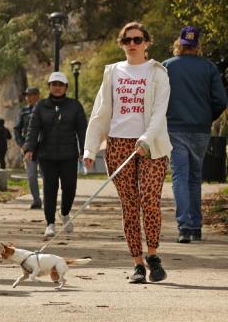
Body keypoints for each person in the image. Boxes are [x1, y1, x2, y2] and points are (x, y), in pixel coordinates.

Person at [83, 21, 172, 284]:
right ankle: (137, 264)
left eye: (137, 39)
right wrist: (90, 147)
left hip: (151, 144)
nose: (132, 44)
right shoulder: (113, 72)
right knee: (130, 205)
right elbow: (100, 112)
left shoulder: (158, 72)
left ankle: (153, 256)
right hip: (118, 144)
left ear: (146, 42)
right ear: (121, 44)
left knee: (150, 199)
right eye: (127, 40)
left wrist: (146, 137)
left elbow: (159, 111)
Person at [163, 26, 228, 243]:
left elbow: (157, 98)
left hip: (174, 128)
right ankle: (196, 227)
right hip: (200, 129)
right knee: (194, 177)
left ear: (179, 44)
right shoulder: (209, 68)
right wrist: (206, 117)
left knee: (180, 176)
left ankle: (185, 226)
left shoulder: (167, 67)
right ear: (197, 45)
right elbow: (221, 101)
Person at [25, 72, 87, 239]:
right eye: (54, 84)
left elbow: (82, 130)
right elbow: (33, 129)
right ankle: (50, 223)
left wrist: (85, 151)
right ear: (49, 87)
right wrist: (29, 148)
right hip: (47, 155)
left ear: (66, 87)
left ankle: (65, 213)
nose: (57, 88)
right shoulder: (40, 106)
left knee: (70, 188)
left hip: (69, 155)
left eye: (61, 85)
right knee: (49, 189)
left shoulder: (75, 106)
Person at [14, 87, 43, 209]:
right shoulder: (24, 111)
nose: (28, 98)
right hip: (29, 149)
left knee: (46, 175)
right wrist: (22, 144)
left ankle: (48, 198)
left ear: (37, 95)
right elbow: (16, 129)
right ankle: (36, 200)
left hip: (44, 147)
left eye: (30, 95)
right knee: (31, 176)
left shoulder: (45, 109)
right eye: (26, 95)